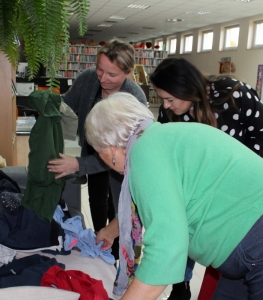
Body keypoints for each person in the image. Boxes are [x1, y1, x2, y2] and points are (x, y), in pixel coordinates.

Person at [85, 92, 263, 300]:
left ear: (110, 148)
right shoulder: (157, 140)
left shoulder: (145, 153)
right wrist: (109, 231)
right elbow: (159, 208)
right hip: (246, 251)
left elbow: (166, 249)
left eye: (99, 152)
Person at [149, 57, 263, 299]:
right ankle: (181, 285)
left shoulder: (234, 94)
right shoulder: (170, 115)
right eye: (163, 100)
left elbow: (260, 134)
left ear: (187, 88)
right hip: (201, 204)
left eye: (170, 99)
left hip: (243, 200)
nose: (166, 106)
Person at [47, 38, 147, 259]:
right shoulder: (87, 80)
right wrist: (49, 106)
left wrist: (78, 164)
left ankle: (114, 258)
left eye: (112, 75)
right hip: (94, 153)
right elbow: (66, 104)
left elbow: (125, 154)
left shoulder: (135, 99)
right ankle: (99, 247)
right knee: (96, 199)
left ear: (128, 73)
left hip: (120, 162)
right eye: (100, 70)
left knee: (118, 208)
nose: (103, 78)